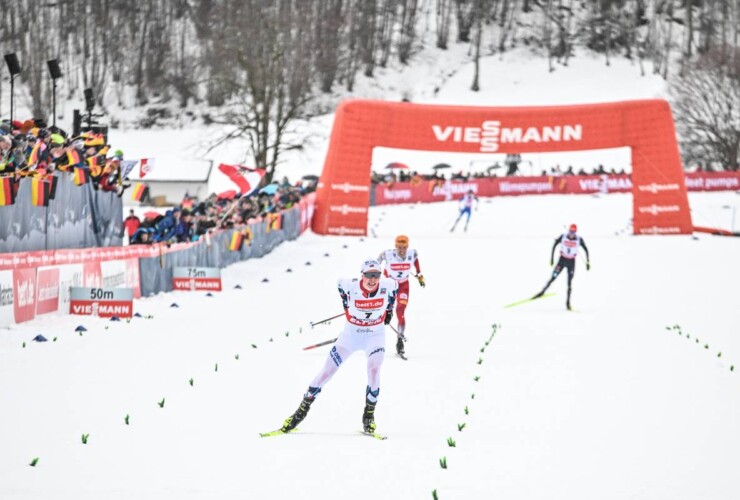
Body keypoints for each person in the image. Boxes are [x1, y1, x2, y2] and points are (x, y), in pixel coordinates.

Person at [280, 259, 397, 435]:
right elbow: (339, 284)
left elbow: (395, 288)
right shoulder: (350, 286)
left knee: (374, 370)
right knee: (327, 372)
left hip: (375, 335)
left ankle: (369, 416)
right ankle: (300, 413)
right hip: (351, 335)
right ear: (362, 275)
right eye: (369, 275)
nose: (373, 279)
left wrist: (389, 311)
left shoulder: (387, 284)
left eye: (376, 275)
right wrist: (346, 303)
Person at [377, 235, 424, 356]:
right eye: (399, 247)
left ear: (408, 246)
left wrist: (420, 276)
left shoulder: (412, 254)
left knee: (400, 311)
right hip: (389, 286)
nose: (401, 250)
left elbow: (417, 266)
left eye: (404, 247)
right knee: (381, 310)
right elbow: (375, 264)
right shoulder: (386, 254)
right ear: (395, 246)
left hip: (403, 286)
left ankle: (399, 340)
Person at [532, 224, 591, 310]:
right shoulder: (563, 237)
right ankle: (541, 292)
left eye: (573, 232)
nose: (571, 234)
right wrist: (552, 258)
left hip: (571, 262)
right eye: (570, 231)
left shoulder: (579, 239)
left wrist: (587, 262)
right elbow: (554, 245)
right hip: (562, 261)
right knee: (553, 277)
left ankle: (568, 303)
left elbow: (586, 249)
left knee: (569, 283)